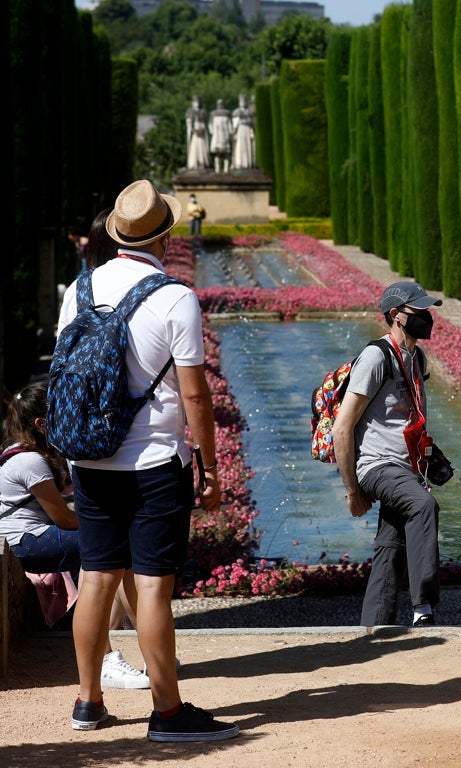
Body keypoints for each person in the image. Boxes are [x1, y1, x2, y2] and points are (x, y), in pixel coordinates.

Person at [57, 179, 238, 741]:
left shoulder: (79, 289)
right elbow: (195, 395)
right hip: (156, 462)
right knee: (153, 587)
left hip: (89, 460)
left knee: (96, 580)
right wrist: (208, 467)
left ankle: (88, 701)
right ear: (163, 236)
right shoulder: (174, 296)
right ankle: (167, 712)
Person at [0, 381, 150, 689]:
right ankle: (112, 657)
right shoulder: (29, 461)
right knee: (110, 546)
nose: (73, 417)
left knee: (116, 548)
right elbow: (65, 519)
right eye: (64, 412)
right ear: (41, 424)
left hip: (38, 533)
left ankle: (135, 650)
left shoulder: (39, 452)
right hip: (25, 542)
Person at [331, 280, 443, 628]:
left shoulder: (415, 357)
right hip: (377, 466)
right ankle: (424, 605)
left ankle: (374, 627)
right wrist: (353, 490)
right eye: (419, 311)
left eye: (428, 310)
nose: (427, 316)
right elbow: (342, 428)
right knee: (423, 506)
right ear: (396, 315)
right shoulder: (376, 357)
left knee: (389, 548)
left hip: (406, 466)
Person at [230, 94, 256, 171]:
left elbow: (252, 123)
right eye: (241, 101)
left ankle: (247, 163)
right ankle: (239, 163)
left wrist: (248, 122)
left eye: (244, 101)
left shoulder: (250, 112)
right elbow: (235, 124)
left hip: (247, 130)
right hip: (240, 131)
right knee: (239, 146)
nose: (243, 103)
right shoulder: (237, 112)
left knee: (248, 146)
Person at [185, 96, 209, 171]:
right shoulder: (190, 111)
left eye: (198, 102)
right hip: (194, 134)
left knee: (202, 148)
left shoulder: (203, 111)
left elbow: (205, 124)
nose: (196, 104)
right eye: (195, 102)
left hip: (201, 133)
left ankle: (202, 162)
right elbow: (189, 124)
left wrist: (202, 130)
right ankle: (193, 163)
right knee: (194, 148)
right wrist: (194, 130)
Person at [209, 98, 233, 174]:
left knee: (226, 153)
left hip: (224, 136)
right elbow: (210, 126)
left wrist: (230, 133)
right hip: (217, 136)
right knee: (217, 153)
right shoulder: (213, 114)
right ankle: (217, 169)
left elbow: (230, 126)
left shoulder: (227, 114)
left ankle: (226, 169)